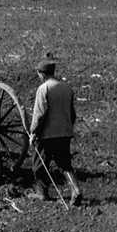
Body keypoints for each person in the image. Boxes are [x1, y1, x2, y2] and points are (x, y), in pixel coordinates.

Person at [29, 57, 80, 204]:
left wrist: (33, 132)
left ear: (42, 74)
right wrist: (67, 128)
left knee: (39, 165)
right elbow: (72, 113)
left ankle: (42, 193)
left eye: (38, 73)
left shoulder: (43, 89)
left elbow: (39, 114)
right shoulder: (66, 87)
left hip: (47, 134)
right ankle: (76, 190)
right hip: (65, 132)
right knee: (64, 164)